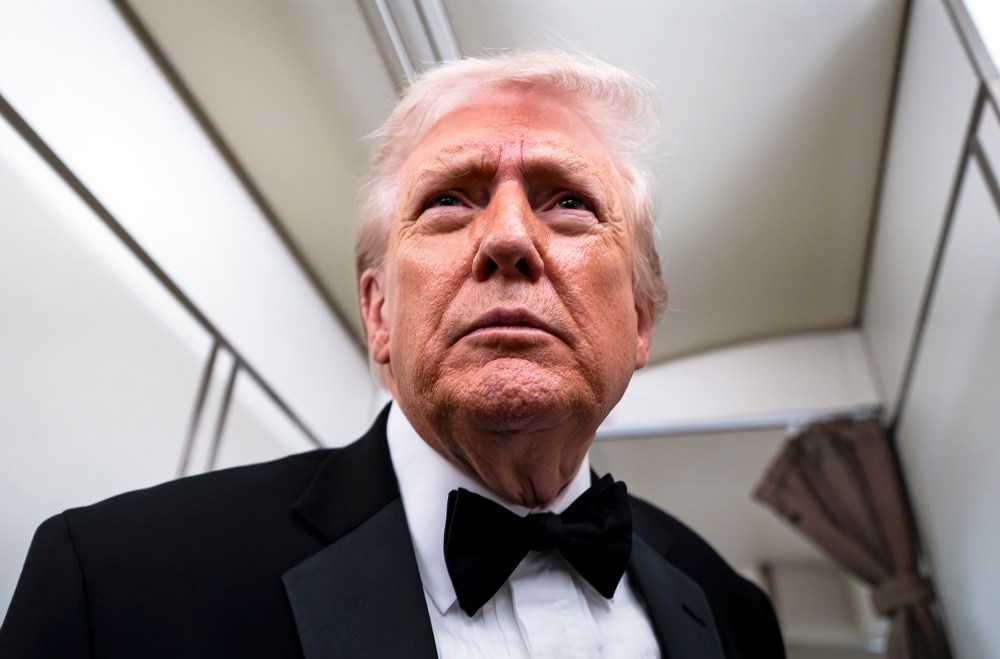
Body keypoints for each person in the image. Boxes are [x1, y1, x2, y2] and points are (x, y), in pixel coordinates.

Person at [0, 51, 784, 658]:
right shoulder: (114, 583)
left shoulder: (730, 609)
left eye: (568, 202)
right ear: (379, 314)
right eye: (449, 201)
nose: (509, 238)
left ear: (641, 320)